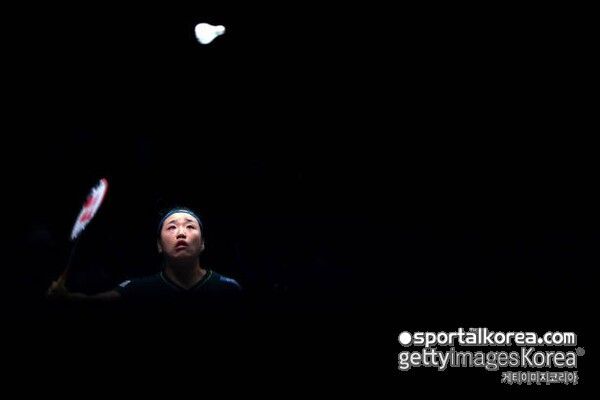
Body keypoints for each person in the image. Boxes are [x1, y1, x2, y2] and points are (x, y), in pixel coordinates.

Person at [47, 207, 241, 309]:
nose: (181, 233)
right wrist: (66, 298)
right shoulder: (137, 290)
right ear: (159, 245)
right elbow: (92, 302)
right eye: (171, 227)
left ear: (203, 243)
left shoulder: (229, 290)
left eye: (190, 226)